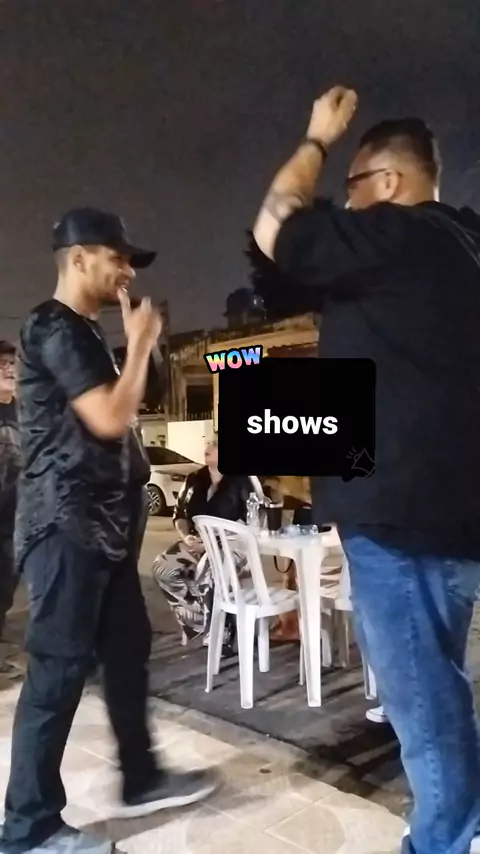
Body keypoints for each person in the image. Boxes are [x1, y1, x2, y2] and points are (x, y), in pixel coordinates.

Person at [253, 86, 480, 854]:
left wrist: (317, 138)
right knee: (439, 680)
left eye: (352, 187)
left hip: (399, 517)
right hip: (450, 512)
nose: (344, 205)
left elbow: (276, 225)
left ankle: (443, 840)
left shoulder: (396, 235)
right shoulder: (464, 243)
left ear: (387, 181)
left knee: (423, 700)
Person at [0, 208, 216, 854]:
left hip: (103, 527)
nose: (127, 273)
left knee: (126, 648)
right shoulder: (52, 325)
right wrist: (141, 341)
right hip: (65, 525)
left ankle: (141, 778)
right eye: (117, 259)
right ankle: (28, 827)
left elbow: (125, 409)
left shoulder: (86, 334)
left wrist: (138, 345)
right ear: (79, 258)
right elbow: (109, 417)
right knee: (59, 669)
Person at [153, 435, 263, 655]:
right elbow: (180, 514)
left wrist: (213, 542)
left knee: (210, 573)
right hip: (197, 543)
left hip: (232, 544)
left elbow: (253, 521)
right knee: (163, 568)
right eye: (208, 444)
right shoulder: (194, 479)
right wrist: (186, 537)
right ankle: (203, 620)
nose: (208, 447)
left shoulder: (243, 479)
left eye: (215, 444)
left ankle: (220, 633)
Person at [0, 341, 21, 667]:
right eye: (1, 364)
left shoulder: (27, 410)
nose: (8, 369)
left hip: (17, 514)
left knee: (6, 581)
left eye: (12, 363)